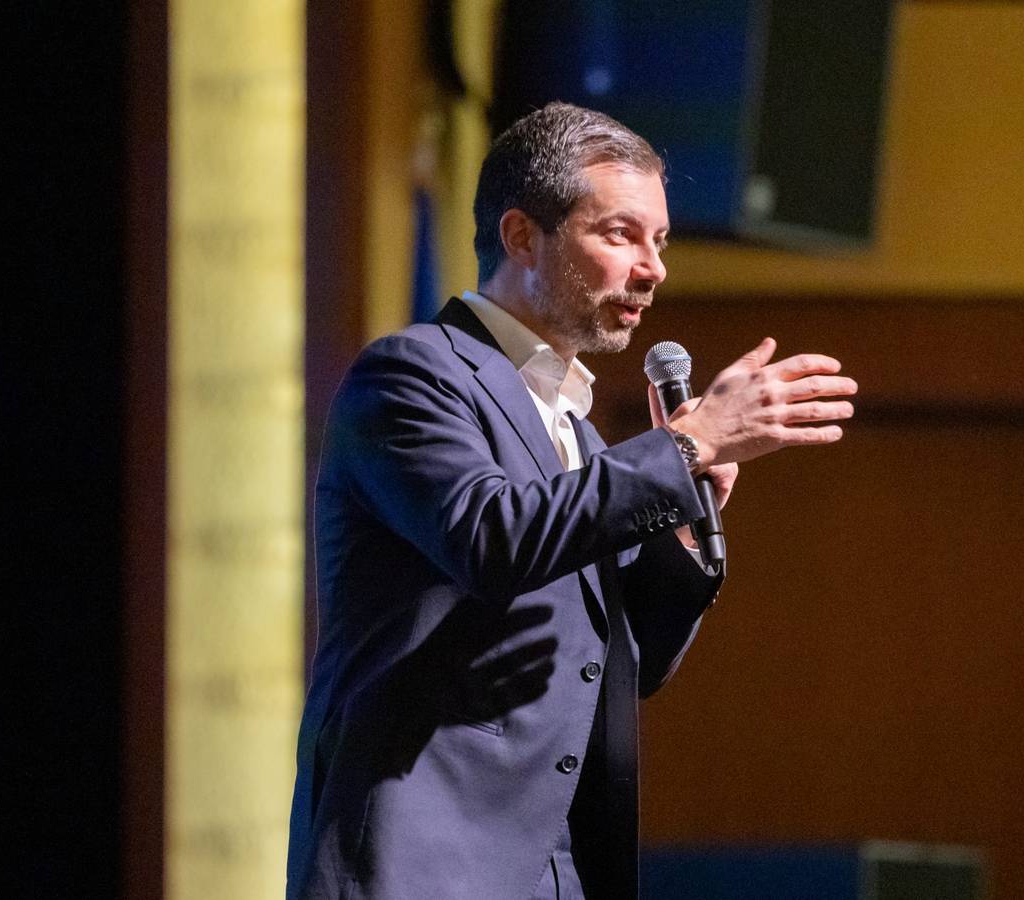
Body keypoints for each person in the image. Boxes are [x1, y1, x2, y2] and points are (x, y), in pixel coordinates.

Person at [286, 102, 857, 899]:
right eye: (621, 234)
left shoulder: (579, 439)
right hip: (421, 863)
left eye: (659, 241)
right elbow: (493, 538)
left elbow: (623, 665)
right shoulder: (415, 376)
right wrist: (683, 447)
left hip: (554, 870)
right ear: (523, 237)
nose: (653, 267)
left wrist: (684, 522)